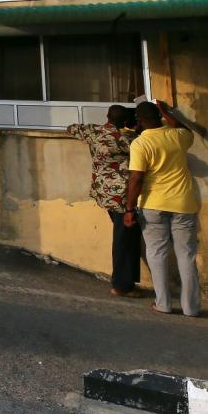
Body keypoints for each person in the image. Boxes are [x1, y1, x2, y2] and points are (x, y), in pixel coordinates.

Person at [124, 100, 200, 317]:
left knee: (157, 253)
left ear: (139, 122)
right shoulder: (177, 136)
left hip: (153, 204)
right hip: (183, 204)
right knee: (186, 255)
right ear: (158, 117)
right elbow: (184, 129)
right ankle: (192, 307)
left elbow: (136, 178)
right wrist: (166, 112)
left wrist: (129, 209)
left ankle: (163, 304)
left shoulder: (139, 144)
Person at [67, 105, 145, 297]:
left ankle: (126, 281)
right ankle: (121, 285)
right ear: (127, 122)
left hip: (103, 194)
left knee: (125, 236)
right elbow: (145, 144)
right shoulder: (128, 139)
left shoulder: (94, 132)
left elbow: (71, 128)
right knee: (123, 239)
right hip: (122, 198)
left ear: (108, 117)